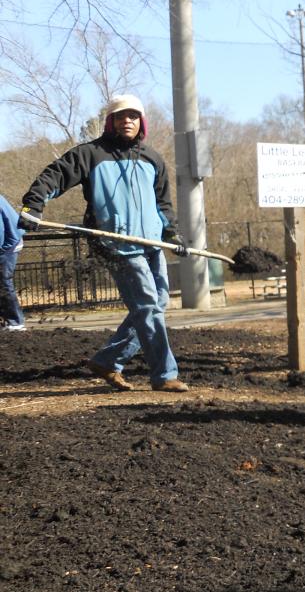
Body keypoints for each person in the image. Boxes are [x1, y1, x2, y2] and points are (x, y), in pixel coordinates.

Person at [18, 94, 189, 392]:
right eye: (121, 116)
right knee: (148, 305)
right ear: (110, 121)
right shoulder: (91, 154)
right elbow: (54, 176)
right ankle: (165, 375)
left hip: (149, 241)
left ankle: (108, 361)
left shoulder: (152, 159)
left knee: (157, 303)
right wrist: (34, 205)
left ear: (141, 122)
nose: (128, 121)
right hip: (113, 242)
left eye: (134, 116)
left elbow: (163, 203)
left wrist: (172, 233)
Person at [1, 194, 26, 331]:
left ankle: (16, 322)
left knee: (4, 281)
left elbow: (0, 232)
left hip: (10, 241)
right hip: (7, 239)